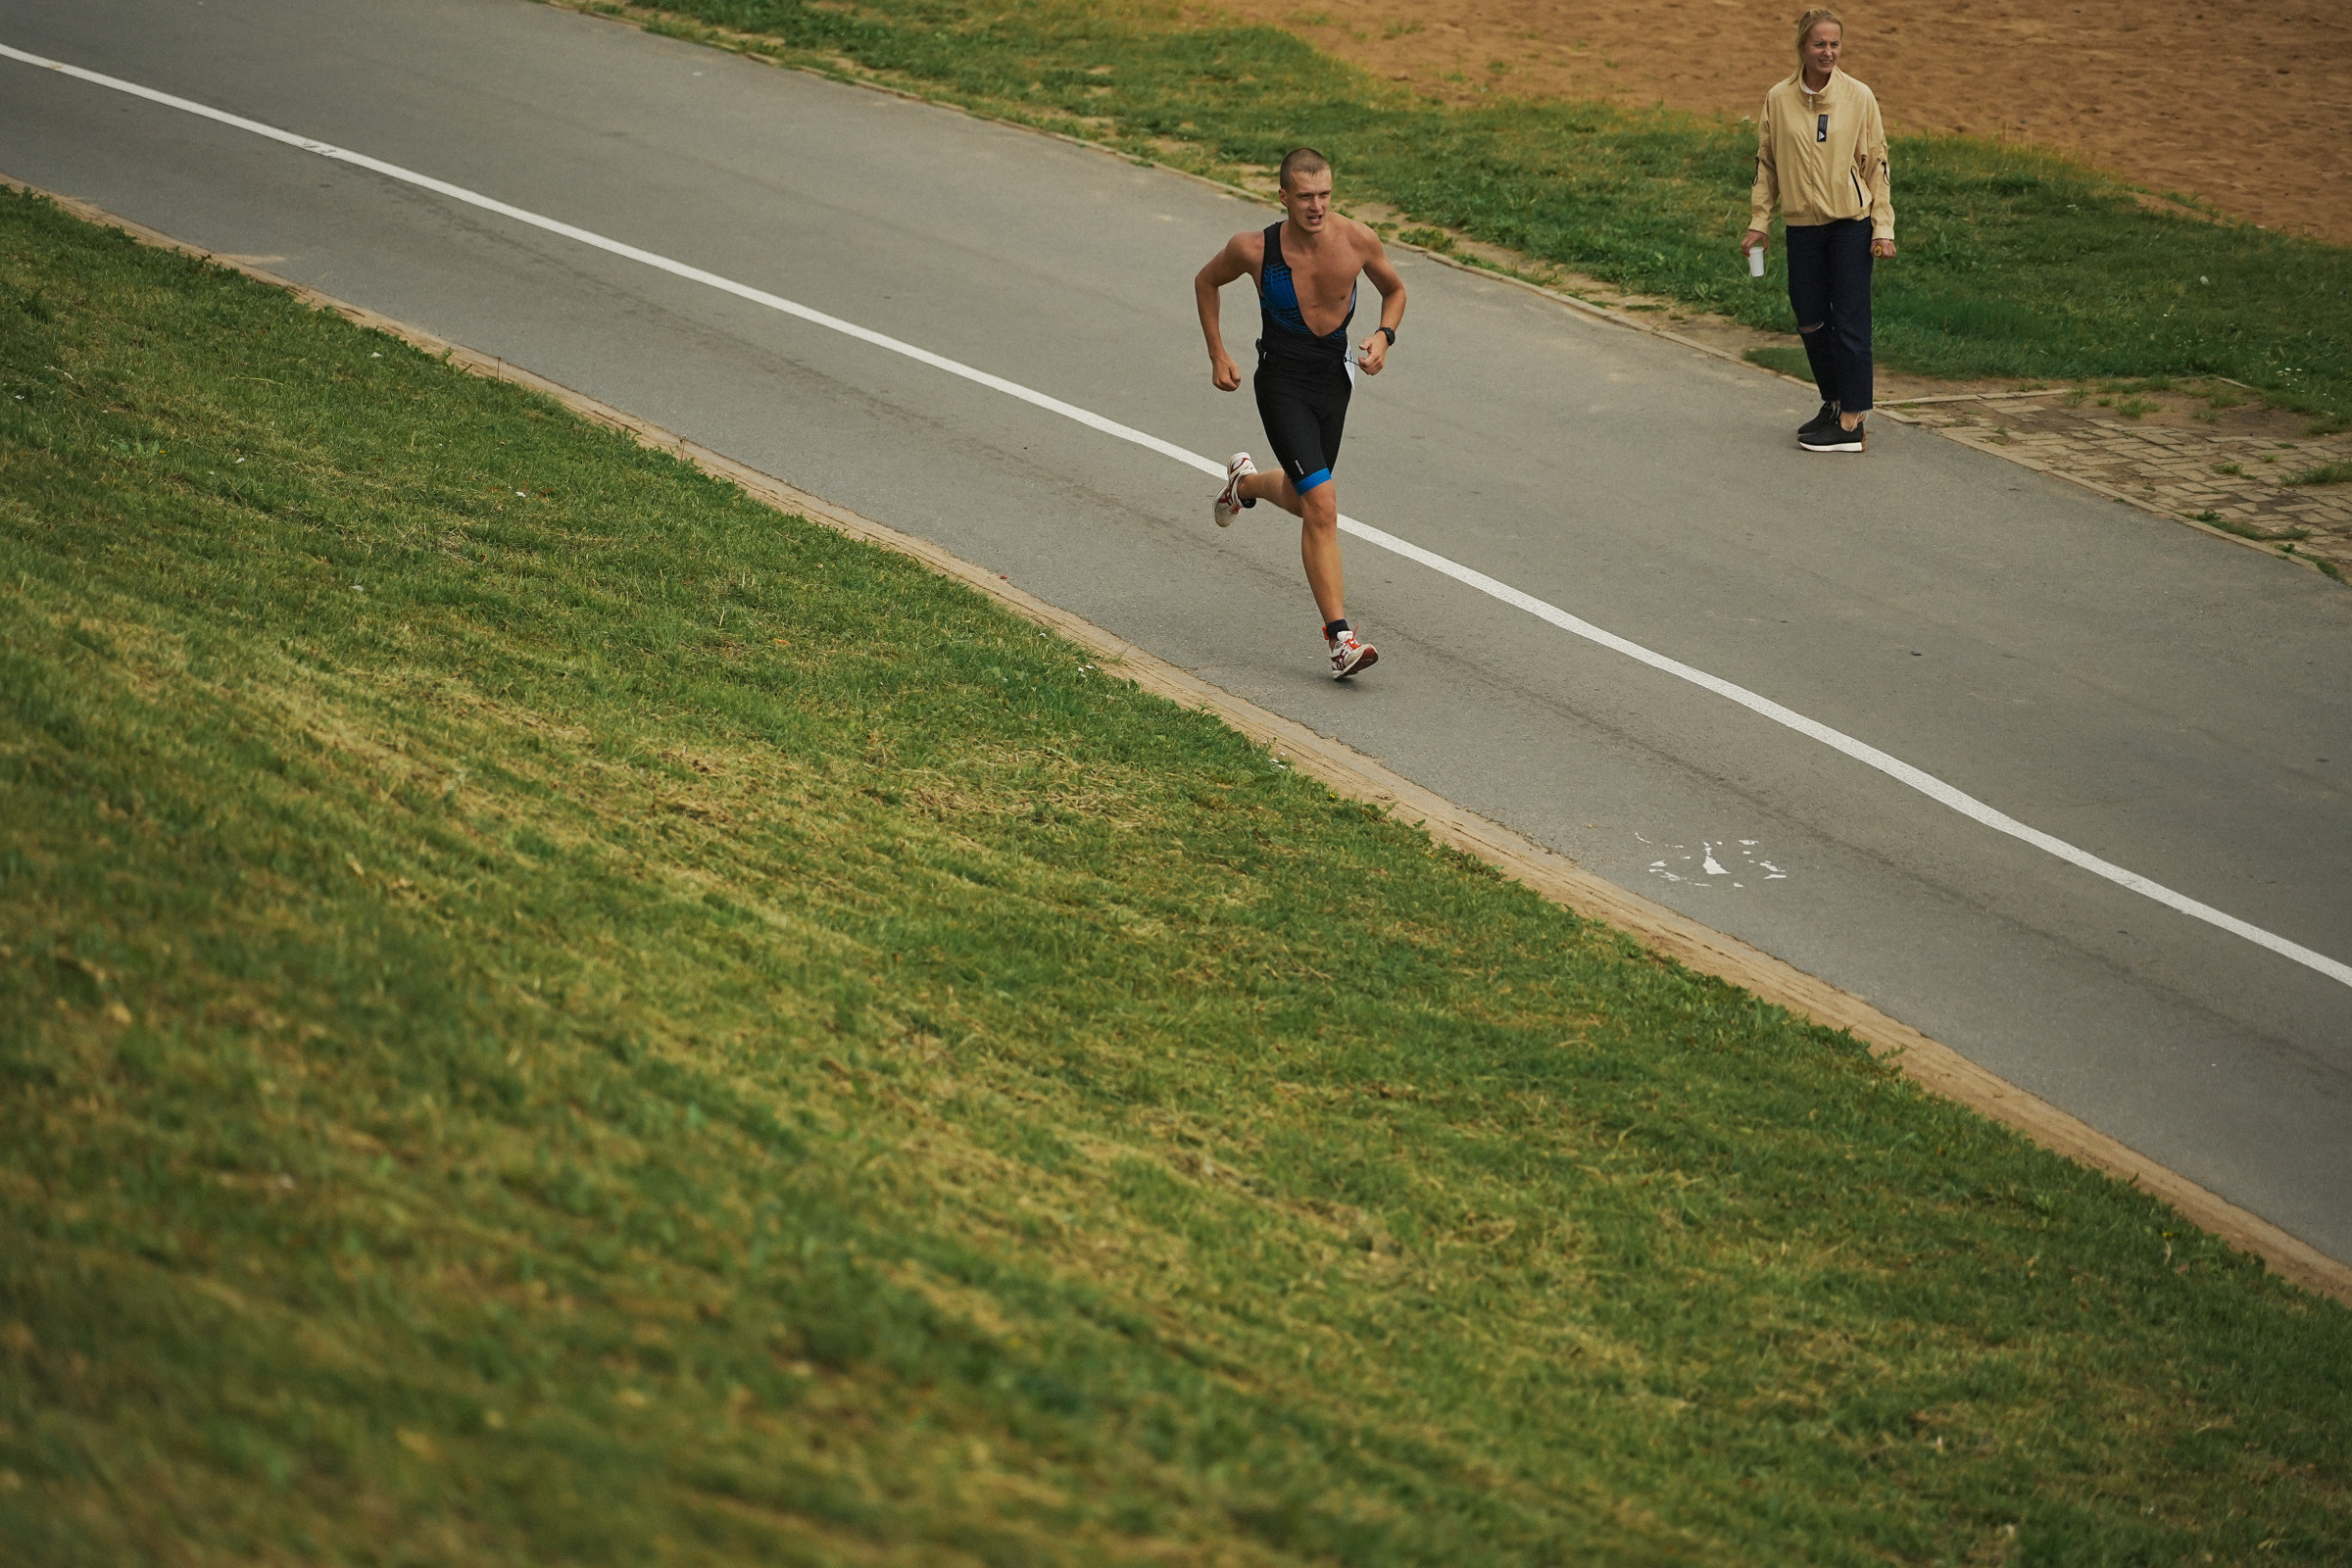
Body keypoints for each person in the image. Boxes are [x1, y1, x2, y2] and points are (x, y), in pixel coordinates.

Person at [1195, 147, 1405, 678]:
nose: (1317, 206)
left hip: (1334, 382)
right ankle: (1341, 639)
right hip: (1281, 381)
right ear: (1283, 196)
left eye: (1325, 195)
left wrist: (1384, 335)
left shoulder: (1357, 240)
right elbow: (1206, 282)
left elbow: (1395, 289)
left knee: (1306, 497)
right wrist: (1218, 352)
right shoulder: (1253, 249)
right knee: (1324, 503)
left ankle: (1245, 485)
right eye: (1306, 196)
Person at [1740, 8, 1895, 453]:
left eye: (1835, 44)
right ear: (1803, 48)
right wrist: (1759, 221)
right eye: (1819, 44)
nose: (1828, 52)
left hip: (1850, 224)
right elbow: (1766, 164)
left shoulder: (1859, 97)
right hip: (1803, 226)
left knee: (1849, 320)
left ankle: (1852, 422)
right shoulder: (1778, 97)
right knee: (1809, 318)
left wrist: (1882, 227)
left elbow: (1877, 165)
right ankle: (1834, 401)